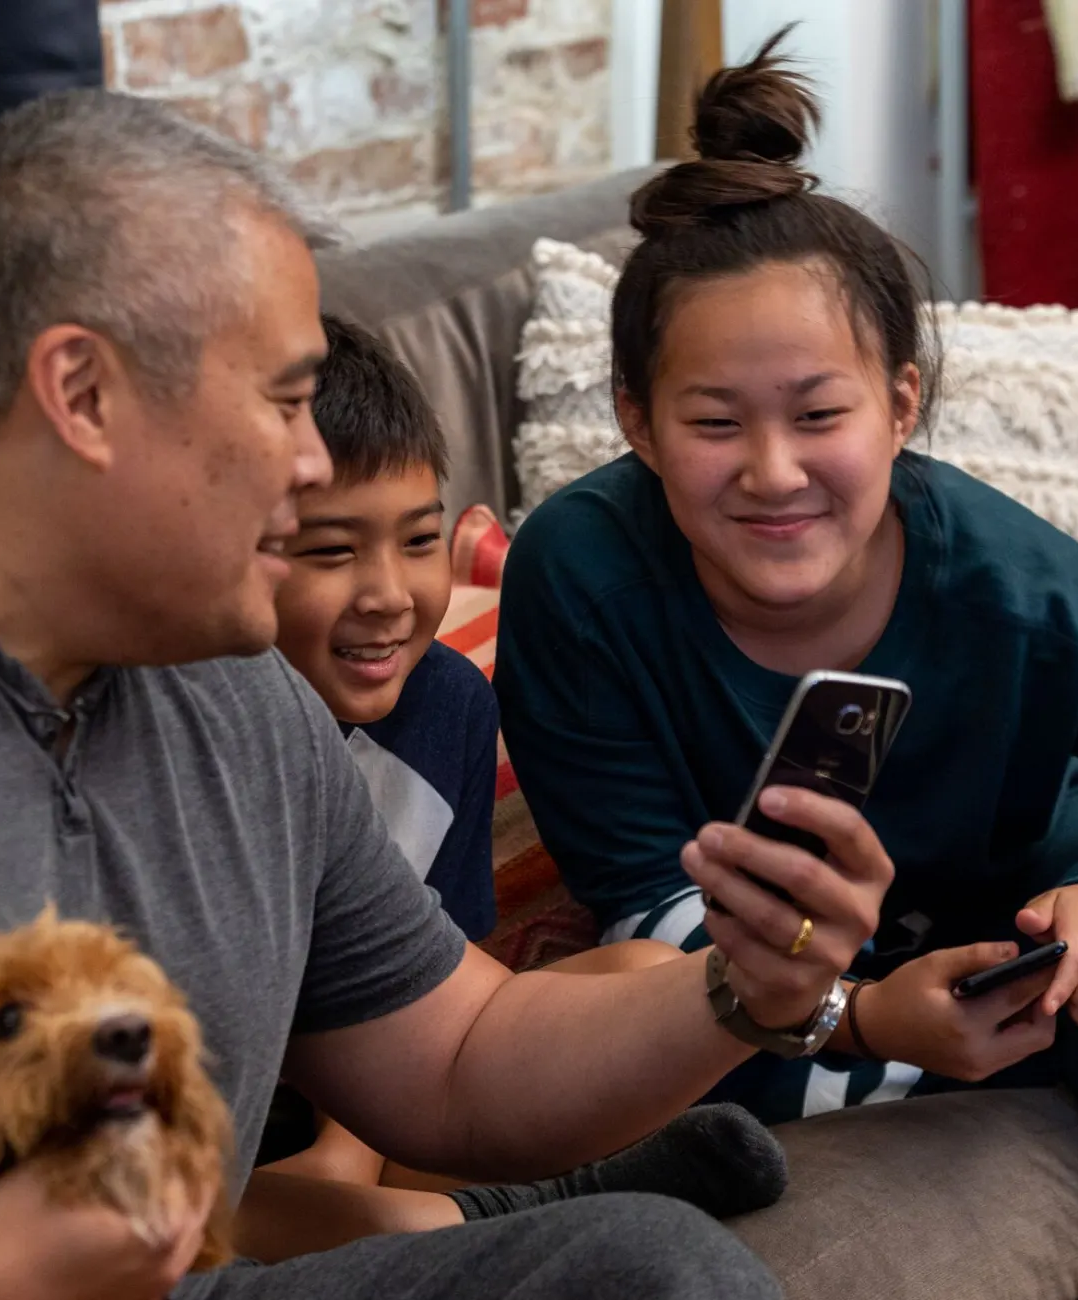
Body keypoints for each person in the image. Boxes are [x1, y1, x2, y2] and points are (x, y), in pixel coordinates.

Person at [0, 87, 889, 1300]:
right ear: (83, 393)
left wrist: (742, 986)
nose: (312, 458)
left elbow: (458, 1063)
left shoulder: (234, 695)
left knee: (646, 1270)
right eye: (285, 400)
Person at [494, 31, 1078, 1208]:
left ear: (901, 405)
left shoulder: (1029, 592)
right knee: (621, 1011)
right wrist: (861, 1016)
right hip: (727, 968)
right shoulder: (579, 578)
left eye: (817, 416)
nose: (773, 472)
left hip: (1019, 909)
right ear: (637, 423)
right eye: (714, 423)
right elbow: (644, 904)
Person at [236, 314, 784, 1262]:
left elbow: (421, 999)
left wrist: (347, 1156)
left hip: (380, 1084)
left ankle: (401, 1215)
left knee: (647, 975)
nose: (389, 595)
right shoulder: (206, 732)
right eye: (331, 552)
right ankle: (472, 1221)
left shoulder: (446, 705)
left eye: (419, 541)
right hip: (216, 1126)